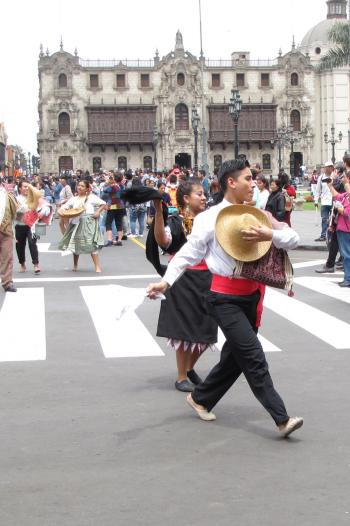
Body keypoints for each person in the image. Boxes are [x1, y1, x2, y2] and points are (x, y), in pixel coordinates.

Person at [147, 159, 303, 438]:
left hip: (251, 296)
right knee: (253, 355)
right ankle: (281, 418)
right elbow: (188, 254)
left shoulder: (257, 214)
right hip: (222, 298)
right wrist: (165, 281)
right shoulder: (210, 218)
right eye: (247, 179)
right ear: (231, 182)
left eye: (253, 179)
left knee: (235, 358)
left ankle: (201, 398)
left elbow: (293, 238)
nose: (253, 183)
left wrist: (271, 234)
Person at [146, 179, 218, 392]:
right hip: (182, 279)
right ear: (186, 199)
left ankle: (189, 367)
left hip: (208, 277)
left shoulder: (210, 220)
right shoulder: (176, 222)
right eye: (199, 194)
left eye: (204, 193)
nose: (204, 197)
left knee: (208, 328)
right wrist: (159, 212)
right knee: (184, 330)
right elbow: (163, 241)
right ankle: (181, 376)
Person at [58, 180, 106, 272]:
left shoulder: (92, 197)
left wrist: (97, 212)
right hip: (76, 223)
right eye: (79, 185)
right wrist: (61, 211)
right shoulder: (73, 199)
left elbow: (103, 203)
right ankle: (75, 265)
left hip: (89, 223)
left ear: (87, 189)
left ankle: (97, 266)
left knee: (92, 244)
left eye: (82, 186)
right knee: (75, 244)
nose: (79, 187)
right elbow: (64, 208)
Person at [15, 181, 49, 274]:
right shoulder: (16, 199)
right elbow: (14, 212)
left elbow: (46, 206)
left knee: (32, 243)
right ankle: (22, 263)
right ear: (20, 188)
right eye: (25, 187)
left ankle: (36, 264)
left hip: (33, 226)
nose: (27, 188)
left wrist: (42, 212)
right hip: (20, 225)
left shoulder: (36, 197)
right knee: (19, 246)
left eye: (28, 186)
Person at [326, 171, 350, 286]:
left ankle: (348, 279)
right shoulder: (345, 195)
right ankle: (347, 278)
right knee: (346, 254)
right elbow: (337, 195)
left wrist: (340, 209)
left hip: (346, 229)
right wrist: (330, 185)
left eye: (345, 178)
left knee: (346, 255)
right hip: (342, 228)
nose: (343, 179)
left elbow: (346, 212)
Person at [0, 178, 19, 292]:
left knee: (7, 257)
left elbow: (17, 210)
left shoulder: (7, 194)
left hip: (6, 229)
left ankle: (7, 282)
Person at [314, 161, 334, 241]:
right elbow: (318, 190)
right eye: (325, 167)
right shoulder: (321, 177)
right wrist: (316, 200)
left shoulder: (334, 177)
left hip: (333, 201)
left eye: (328, 167)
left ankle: (333, 236)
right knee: (324, 219)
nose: (326, 169)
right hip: (325, 201)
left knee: (333, 220)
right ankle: (323, 235)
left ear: (331, 168)